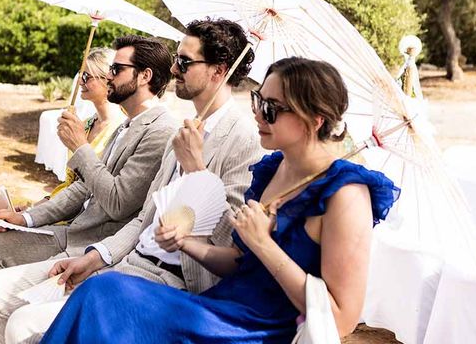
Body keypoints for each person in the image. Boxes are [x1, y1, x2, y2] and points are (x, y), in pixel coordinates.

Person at [40, 57, 399, 344]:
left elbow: (339, 318)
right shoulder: (272, 170)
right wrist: (187, 243)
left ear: (315, 120)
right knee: (103, 291)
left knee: (109, 297)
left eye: (272, 109)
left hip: (260, 331)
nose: (257, 114)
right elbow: (239, 263)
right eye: (258, 100)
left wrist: (265, 245)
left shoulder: (347, 196)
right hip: (219, 308)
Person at [0, 18, 265, 344]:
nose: (175, 69)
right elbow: (144, 218)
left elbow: (226, 242)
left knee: (23, 325)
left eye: (184, 61)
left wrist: (196, 169)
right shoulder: (184, 130)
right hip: (125, 260)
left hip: (172, 282)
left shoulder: (243, 142)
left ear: (218, 70)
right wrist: (94, 257)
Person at [0, 48, 126, 344]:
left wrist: (36, 212)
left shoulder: (117, 130)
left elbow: (90, 191)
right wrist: (34, 207)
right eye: (81, 75)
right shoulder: (89, 123)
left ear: (108, 81)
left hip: (72, 220)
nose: (81, 82)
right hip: (55, 200)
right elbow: (71, 184)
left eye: (88, 76)